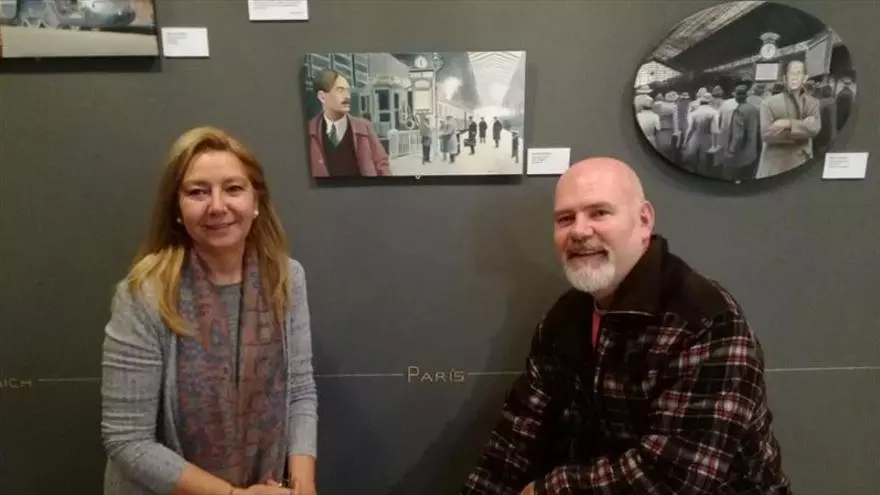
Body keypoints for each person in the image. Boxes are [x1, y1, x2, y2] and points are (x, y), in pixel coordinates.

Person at [461, 157, 789, 494]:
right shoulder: (565, 318)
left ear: (644, 220)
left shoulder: (705, 320)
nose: (579, 231)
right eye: (565, 218)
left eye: (599, 213)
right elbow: (518, 434)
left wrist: (544, 492)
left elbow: (674, 477)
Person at [100, 127, 318, 495]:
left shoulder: (285, 277)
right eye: (198, 192)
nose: (217, 206)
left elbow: (299, 392)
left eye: (233, 188)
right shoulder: (144, 294)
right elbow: (127, 440)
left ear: (256, 201)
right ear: (177, 209)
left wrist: (303, 487)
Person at [307, 68, 390, 177]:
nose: (347, 96)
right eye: (340, 90)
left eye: (347, 90)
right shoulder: (309, 131)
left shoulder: (364, 127)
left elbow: (382, 165)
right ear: (322, 97)